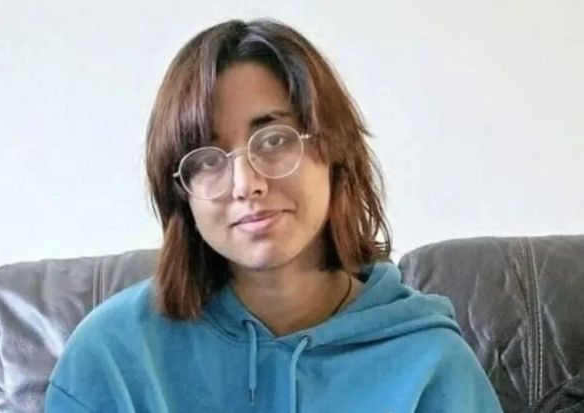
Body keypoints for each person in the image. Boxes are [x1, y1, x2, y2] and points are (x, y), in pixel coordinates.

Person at [45, 18, 503, 413]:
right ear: (181, 195)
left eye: (275, 140)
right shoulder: (111, 355)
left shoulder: (431, 360)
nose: (246, 184)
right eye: (207, 159)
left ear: (333, 149)